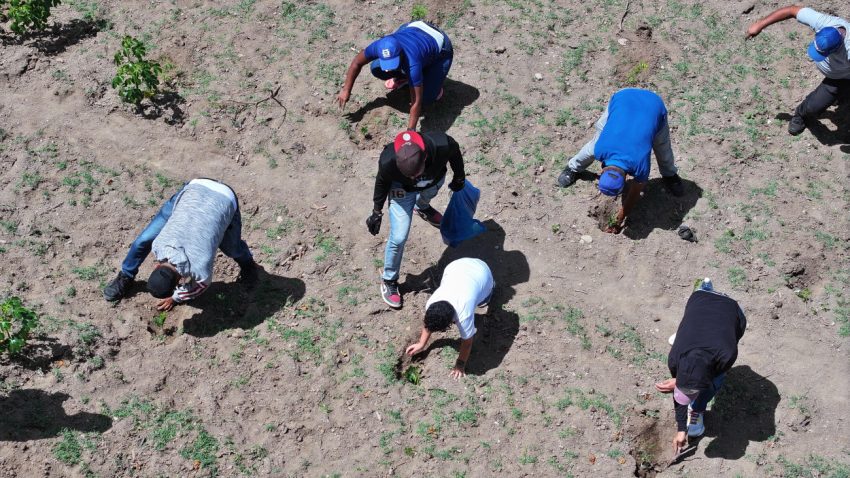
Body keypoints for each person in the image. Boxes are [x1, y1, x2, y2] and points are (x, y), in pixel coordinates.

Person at [102, 178, 258, 311]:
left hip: (223, 199)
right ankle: (126, 276)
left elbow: (198, 287)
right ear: (156, 266)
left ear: (180, 280)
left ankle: (249, 266)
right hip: (194, 188)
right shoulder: (158, 245)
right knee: (144, 239)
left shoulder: (201, 269)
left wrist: (175, 297)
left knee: (232, 248)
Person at [556, 88, 684, 234]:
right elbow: (588, 151)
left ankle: (670, 175)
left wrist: (619, 219)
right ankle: (572, 168)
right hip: (622, 99)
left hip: (653, 106)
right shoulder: (600, 148)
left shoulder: (640, 165)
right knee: (597, 137)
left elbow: (635, 192)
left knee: (662, 148)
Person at [366, 130, 466, 308]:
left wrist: (459, 176)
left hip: (433, 181)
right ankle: (389, 279)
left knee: (428, 190)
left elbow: (455, 152)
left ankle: (422, 206)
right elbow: (382, 181)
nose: (414, 178)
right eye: (409, 175)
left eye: (416, 173)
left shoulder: (442, 144)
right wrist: (376, 211)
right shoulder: (388, 160)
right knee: (399, 237)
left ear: (425, 156)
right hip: (402, 191)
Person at [654, 285, 747, 454]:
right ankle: (689, 335)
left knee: (715, 382)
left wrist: (687, 387)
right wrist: (681, 429)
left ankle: (697, 410)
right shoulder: (674, 358)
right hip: (700, 297)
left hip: (731, 308)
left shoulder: (726, 356)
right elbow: (681, 393)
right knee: (689, 331)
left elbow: (708, 381)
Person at [746, 6, 850, 135]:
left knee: (814, 106)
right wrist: (760, 24)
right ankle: (801, 115)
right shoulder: (824, 23)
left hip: (841, 78)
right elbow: (791, 11)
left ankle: (809, 112)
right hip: (838, 71)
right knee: (817, 105)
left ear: (836, 48)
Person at [337, 21, 453, 130]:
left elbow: (416, 102)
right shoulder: (381, 45)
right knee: (376, 68)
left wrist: (410, 131)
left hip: (440, 45)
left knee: (425, 97)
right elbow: (357, 63)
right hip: (413, 28)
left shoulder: (413, 64)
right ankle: (406, 77)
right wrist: (346, 90)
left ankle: (433, 84)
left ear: (401, 54)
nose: (389, 70)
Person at [405, 258, 494, 378]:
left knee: (483, 300)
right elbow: (428, 323)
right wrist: (421, 343)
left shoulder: (464, 315)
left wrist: (460, 365)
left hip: (482, 272)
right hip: (456, 266)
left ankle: (490, 289)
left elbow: (467, 342)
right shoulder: (431, 302)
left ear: (452, 320)